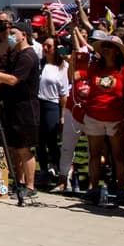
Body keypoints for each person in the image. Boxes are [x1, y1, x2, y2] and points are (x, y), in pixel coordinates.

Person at [75, 32, 124, 206]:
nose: (105, 49)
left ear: (117, 51)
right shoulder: (95, 67)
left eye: (109, 46)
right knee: (94, 155)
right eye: (104, 46)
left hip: (115, 118)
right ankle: (94, 188)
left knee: (118, 156)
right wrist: (71, 60)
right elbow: (77, 75)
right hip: (94, 116)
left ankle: (120, 191)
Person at [0, 21, 40, 202]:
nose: (11, 36)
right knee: (14, 148)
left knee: (24, 149)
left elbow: (14, 80)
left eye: (14, 33)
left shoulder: (28, 56)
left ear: (24, 35)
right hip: (12, 107)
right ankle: (20, 182)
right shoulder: (17, 55)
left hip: (25, 109)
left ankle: (30, 186)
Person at [36, 36, 71, 187]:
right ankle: (43, 171)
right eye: (44, 45)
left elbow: (64, 95)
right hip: (38, 103)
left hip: (52, 104)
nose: (45, 48)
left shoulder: (63, 66)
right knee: (39, 141)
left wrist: (63, 115)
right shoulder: (40, 63)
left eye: (49, 46)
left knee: (51, 140)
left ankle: (62, 170)